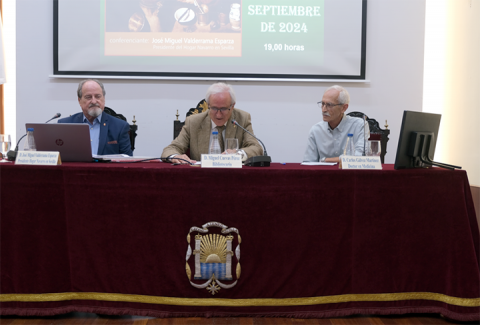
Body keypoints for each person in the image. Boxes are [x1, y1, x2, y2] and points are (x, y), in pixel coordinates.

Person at [162, 82, 263, 164]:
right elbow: (170, 149)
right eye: (214, 108)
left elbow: (256, 148)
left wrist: (239, 153)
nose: (218, 115)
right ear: (208, 105)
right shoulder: (193, 122)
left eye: (223, 109)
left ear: (232, 106)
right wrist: (175, 156)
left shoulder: (242, 118)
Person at [59, 79, 133, 156]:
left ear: (104, 99)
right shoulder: (64, 125)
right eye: (88, 97)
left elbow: (128, 161)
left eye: (98, 96)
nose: (94, 101)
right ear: (79, 100)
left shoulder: (120, 127)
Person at [303, 85, 369, 163]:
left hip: (352, 174)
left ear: (344, 108)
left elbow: (360, 157)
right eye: (322, 104)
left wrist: (325, 160)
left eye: (329, 105)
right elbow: (308, 162)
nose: (323, 109)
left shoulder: (359, 125)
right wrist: (343, 159)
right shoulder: (316, 130)